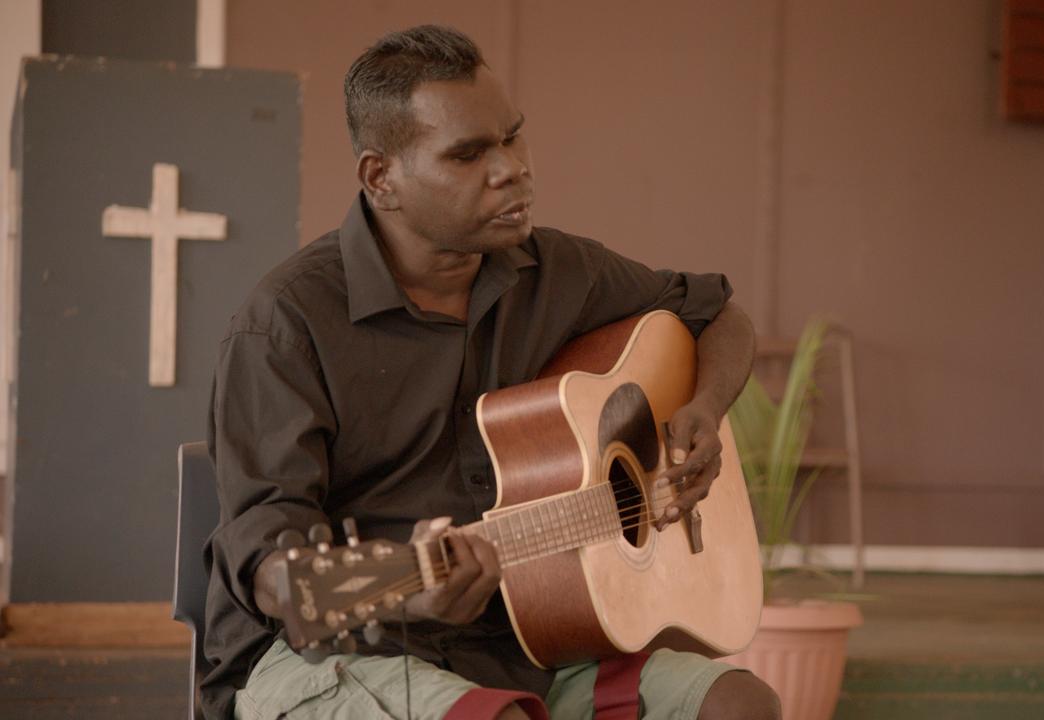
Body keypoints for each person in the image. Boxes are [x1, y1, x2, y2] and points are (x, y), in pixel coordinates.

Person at [203, 24, 778, 720]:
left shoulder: (558, 271)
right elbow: (269, 558)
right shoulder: (286, 323)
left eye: (511, 137)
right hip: (346, 652)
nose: (512, 168)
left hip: (533, 644)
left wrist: (704, 412)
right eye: (469, 154)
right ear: (381, 179)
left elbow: (719, 315)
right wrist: (409, 592)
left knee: (739, 705)